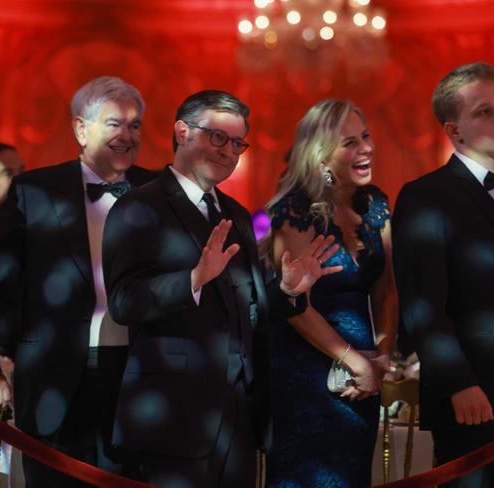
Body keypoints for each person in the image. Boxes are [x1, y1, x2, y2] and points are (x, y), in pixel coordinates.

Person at [102, 90, 342, 488]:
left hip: (238, 416)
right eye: (218, 137)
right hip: (171, 416)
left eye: (237, 143)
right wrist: (192, 280)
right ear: (182, 132)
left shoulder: (236, 214)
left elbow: (249, 310)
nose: (229, 151)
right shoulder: (137, 207)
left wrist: (285, 291)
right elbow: (123, 302)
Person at [0, 76, 156, 486]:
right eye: (114, 124)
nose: (127, 135)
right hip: (54, 373)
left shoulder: (157, 191)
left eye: (135, 125)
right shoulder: (33, 192)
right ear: (80, 128)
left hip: (137, 374)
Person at [262, 99, 397, 487]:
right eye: (350, 142)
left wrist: (383, 355)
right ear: (321, 155)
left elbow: (387, 288)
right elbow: (293, 303)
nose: (366, 148)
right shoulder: (296, 210)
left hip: (364, 373)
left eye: (366, 137)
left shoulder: (376, 204)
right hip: (306, 370)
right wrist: (353, 360)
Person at [392, 62, 494, 487]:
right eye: (485, 112)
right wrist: (459, 384)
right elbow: (422, 307)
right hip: (475, 397)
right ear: (455, 131)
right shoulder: (425, 196)